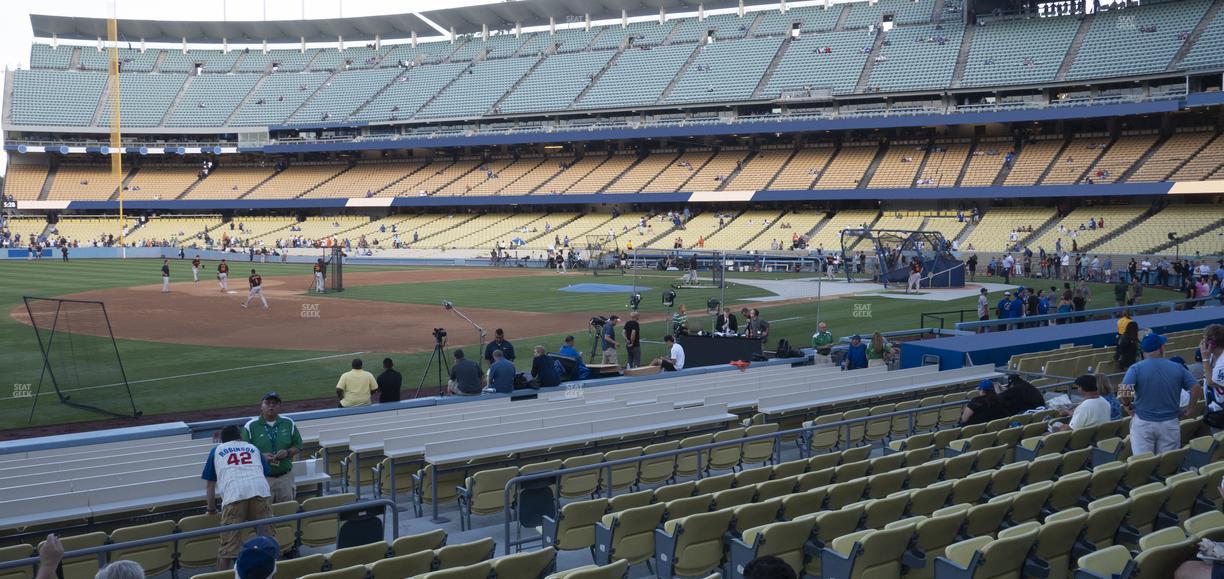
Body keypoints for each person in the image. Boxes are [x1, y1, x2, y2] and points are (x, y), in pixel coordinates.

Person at [202, 425, 272, 570]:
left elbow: (210, 485)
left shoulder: (216, 450)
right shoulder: (252, 448)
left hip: (234, 495)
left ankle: (222, 575)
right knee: (266, 542)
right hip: (260, 491)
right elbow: (264, 472)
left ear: (222, 439)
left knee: (228, 547)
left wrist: (211, 509)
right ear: (240, 437)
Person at [1119, 333, 1201, 455]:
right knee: (1166, 466)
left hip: (1143, 424)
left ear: (1143, 351)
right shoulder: (1177, 367)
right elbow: (1196, 387)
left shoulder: (1135, 368)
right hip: (1170, 423)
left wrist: (1127, 405)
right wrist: (1190, 409)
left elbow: (1124, 390)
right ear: (1161, 348)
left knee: (1144, 463)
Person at [241, 392, 302, 503]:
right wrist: (260, 456)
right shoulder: (250, 426)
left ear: (280, 406)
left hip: (285, 478)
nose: (271, 406)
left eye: (274, 403)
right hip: (262, 479)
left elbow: (298, 445)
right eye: (267, 403)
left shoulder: (288, 423)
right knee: (264, 515)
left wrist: (287, 453)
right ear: (261, 405)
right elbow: (243, 452)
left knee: (286, 514)